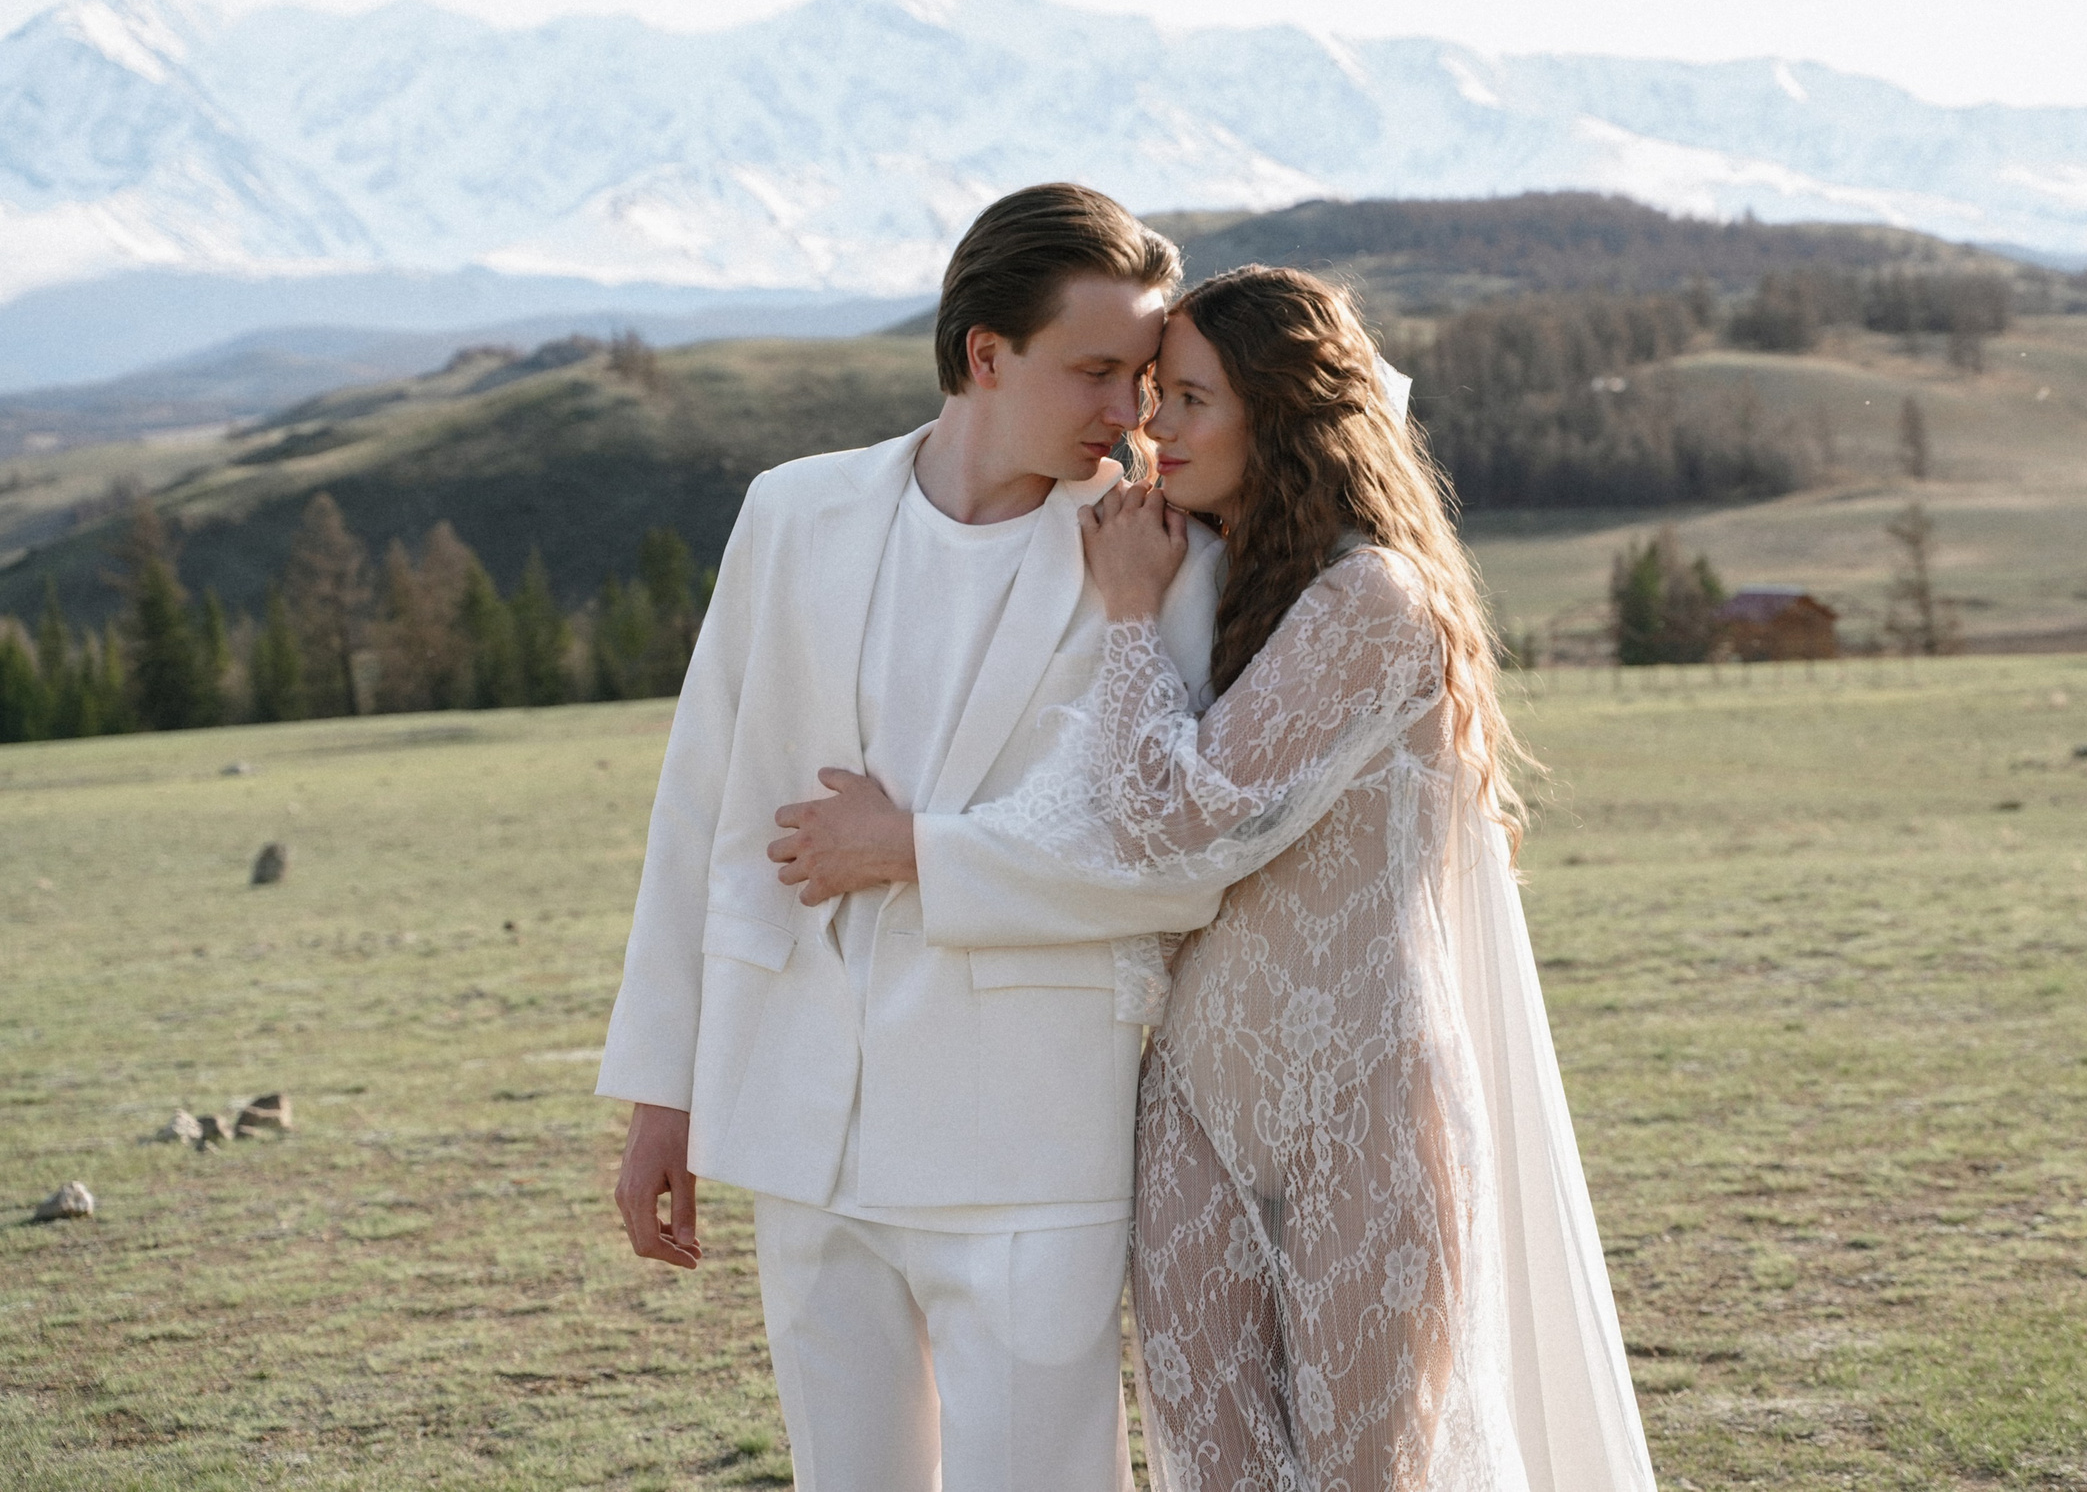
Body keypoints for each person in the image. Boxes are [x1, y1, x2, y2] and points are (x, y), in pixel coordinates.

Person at [805, 266, 1658, 1490]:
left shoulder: (1377, 599)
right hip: (1191, 1112)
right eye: (1154, 394)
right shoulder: (1213, 577)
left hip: (1364, 1105)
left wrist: (1126, 613)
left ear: (1284, 413)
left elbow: (1173, 825)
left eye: (1190, 399)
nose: (1152, 427)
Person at [594, 183, 1233, 1492]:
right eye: (1097, 371)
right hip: (803, 1122)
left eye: (1143, 378)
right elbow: (708, 804)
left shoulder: (1160, 556)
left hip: (1028, 1131)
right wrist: (667, 1089)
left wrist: (913, 849)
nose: (1131, 414)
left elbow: (1168, 854)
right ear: (986, 353)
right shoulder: (791, 512)